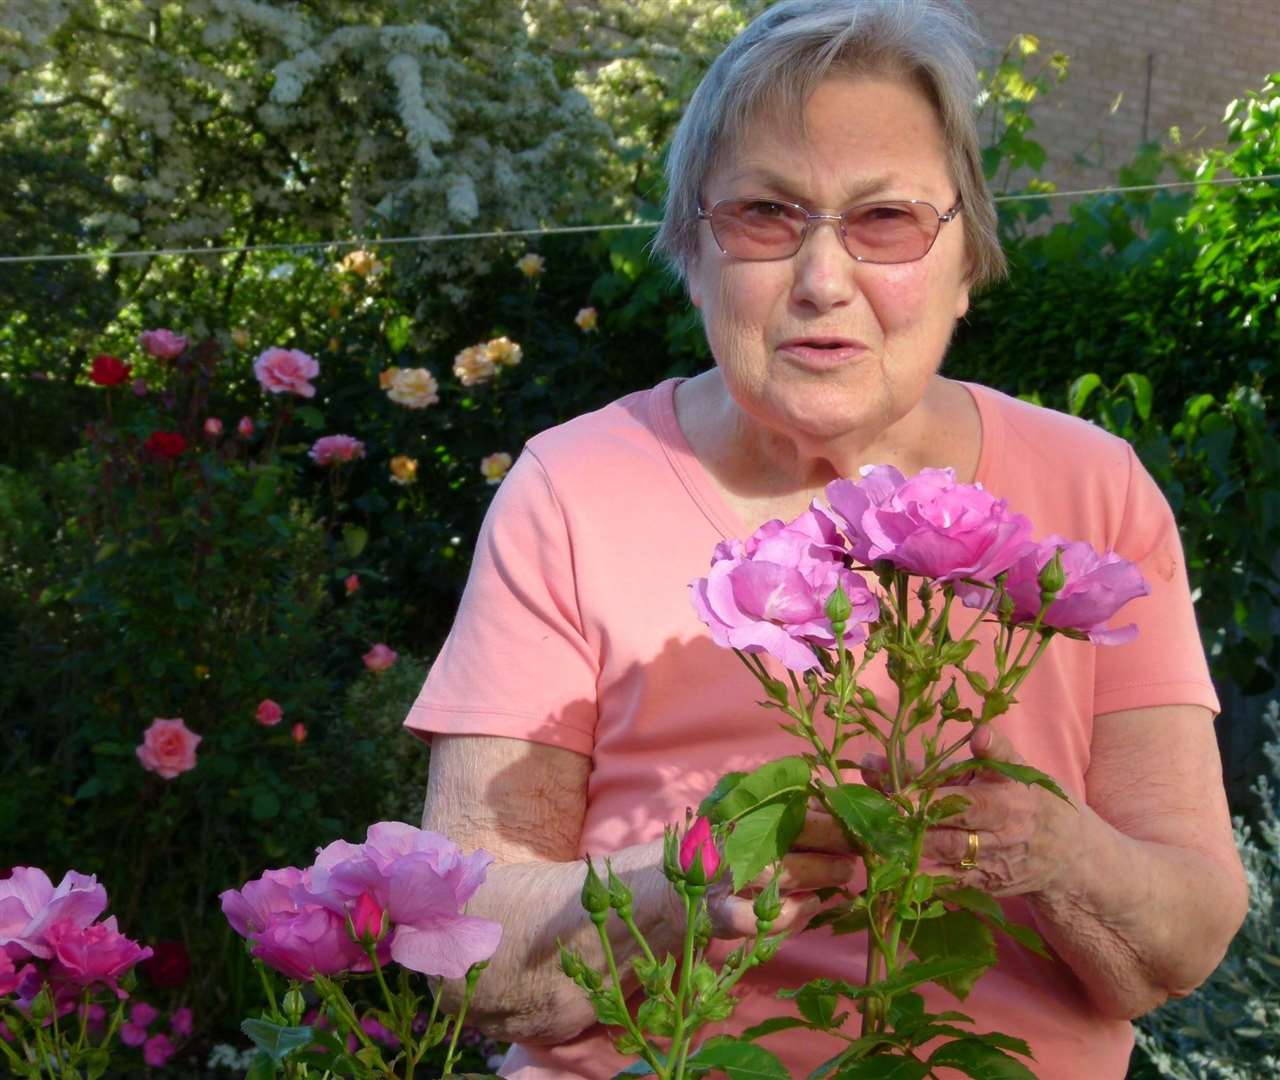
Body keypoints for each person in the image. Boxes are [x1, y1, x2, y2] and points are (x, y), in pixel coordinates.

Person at [406, 2, 1248, 1076]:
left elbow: (1181, 938)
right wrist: (680, 889)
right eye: (764, 214)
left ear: (963, 258)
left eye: (885, 219)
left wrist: (1047, 850)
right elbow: (466, 956)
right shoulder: (571, 491)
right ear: (693, 248)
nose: (820, 279)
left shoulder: (1091, 491)